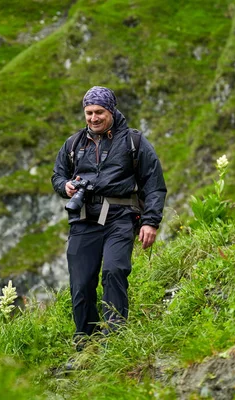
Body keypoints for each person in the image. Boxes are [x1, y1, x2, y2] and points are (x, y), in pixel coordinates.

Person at [51, 86, 166, 348]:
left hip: (121, 218)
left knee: (114, 271)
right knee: (80, 284)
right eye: (89, 112)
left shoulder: (134, 142)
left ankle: (113, 339)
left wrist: (150, 221)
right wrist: (65, 186)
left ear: (111, 111)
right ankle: (85, 341)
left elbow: (154, 184)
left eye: (99, 112)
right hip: (83, 219)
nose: (93, 118)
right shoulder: (73, 144)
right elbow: (57, 175)